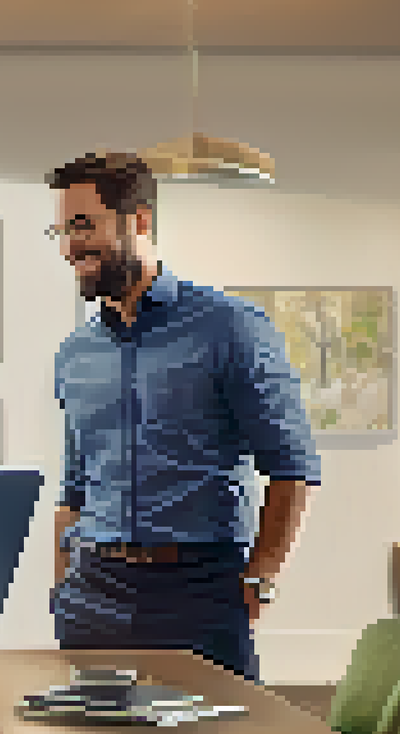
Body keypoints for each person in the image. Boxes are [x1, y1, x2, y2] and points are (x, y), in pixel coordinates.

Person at [45, 153, 321, 683]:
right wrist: (62, 589)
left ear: (139, 221)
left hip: (198, 592)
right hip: (91, 594)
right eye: (61, 229)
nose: (69, 246)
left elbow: (292, 466)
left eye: (84, 226)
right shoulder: (75, 353)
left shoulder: (232, 327)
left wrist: (261, 577)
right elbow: (74, 486)